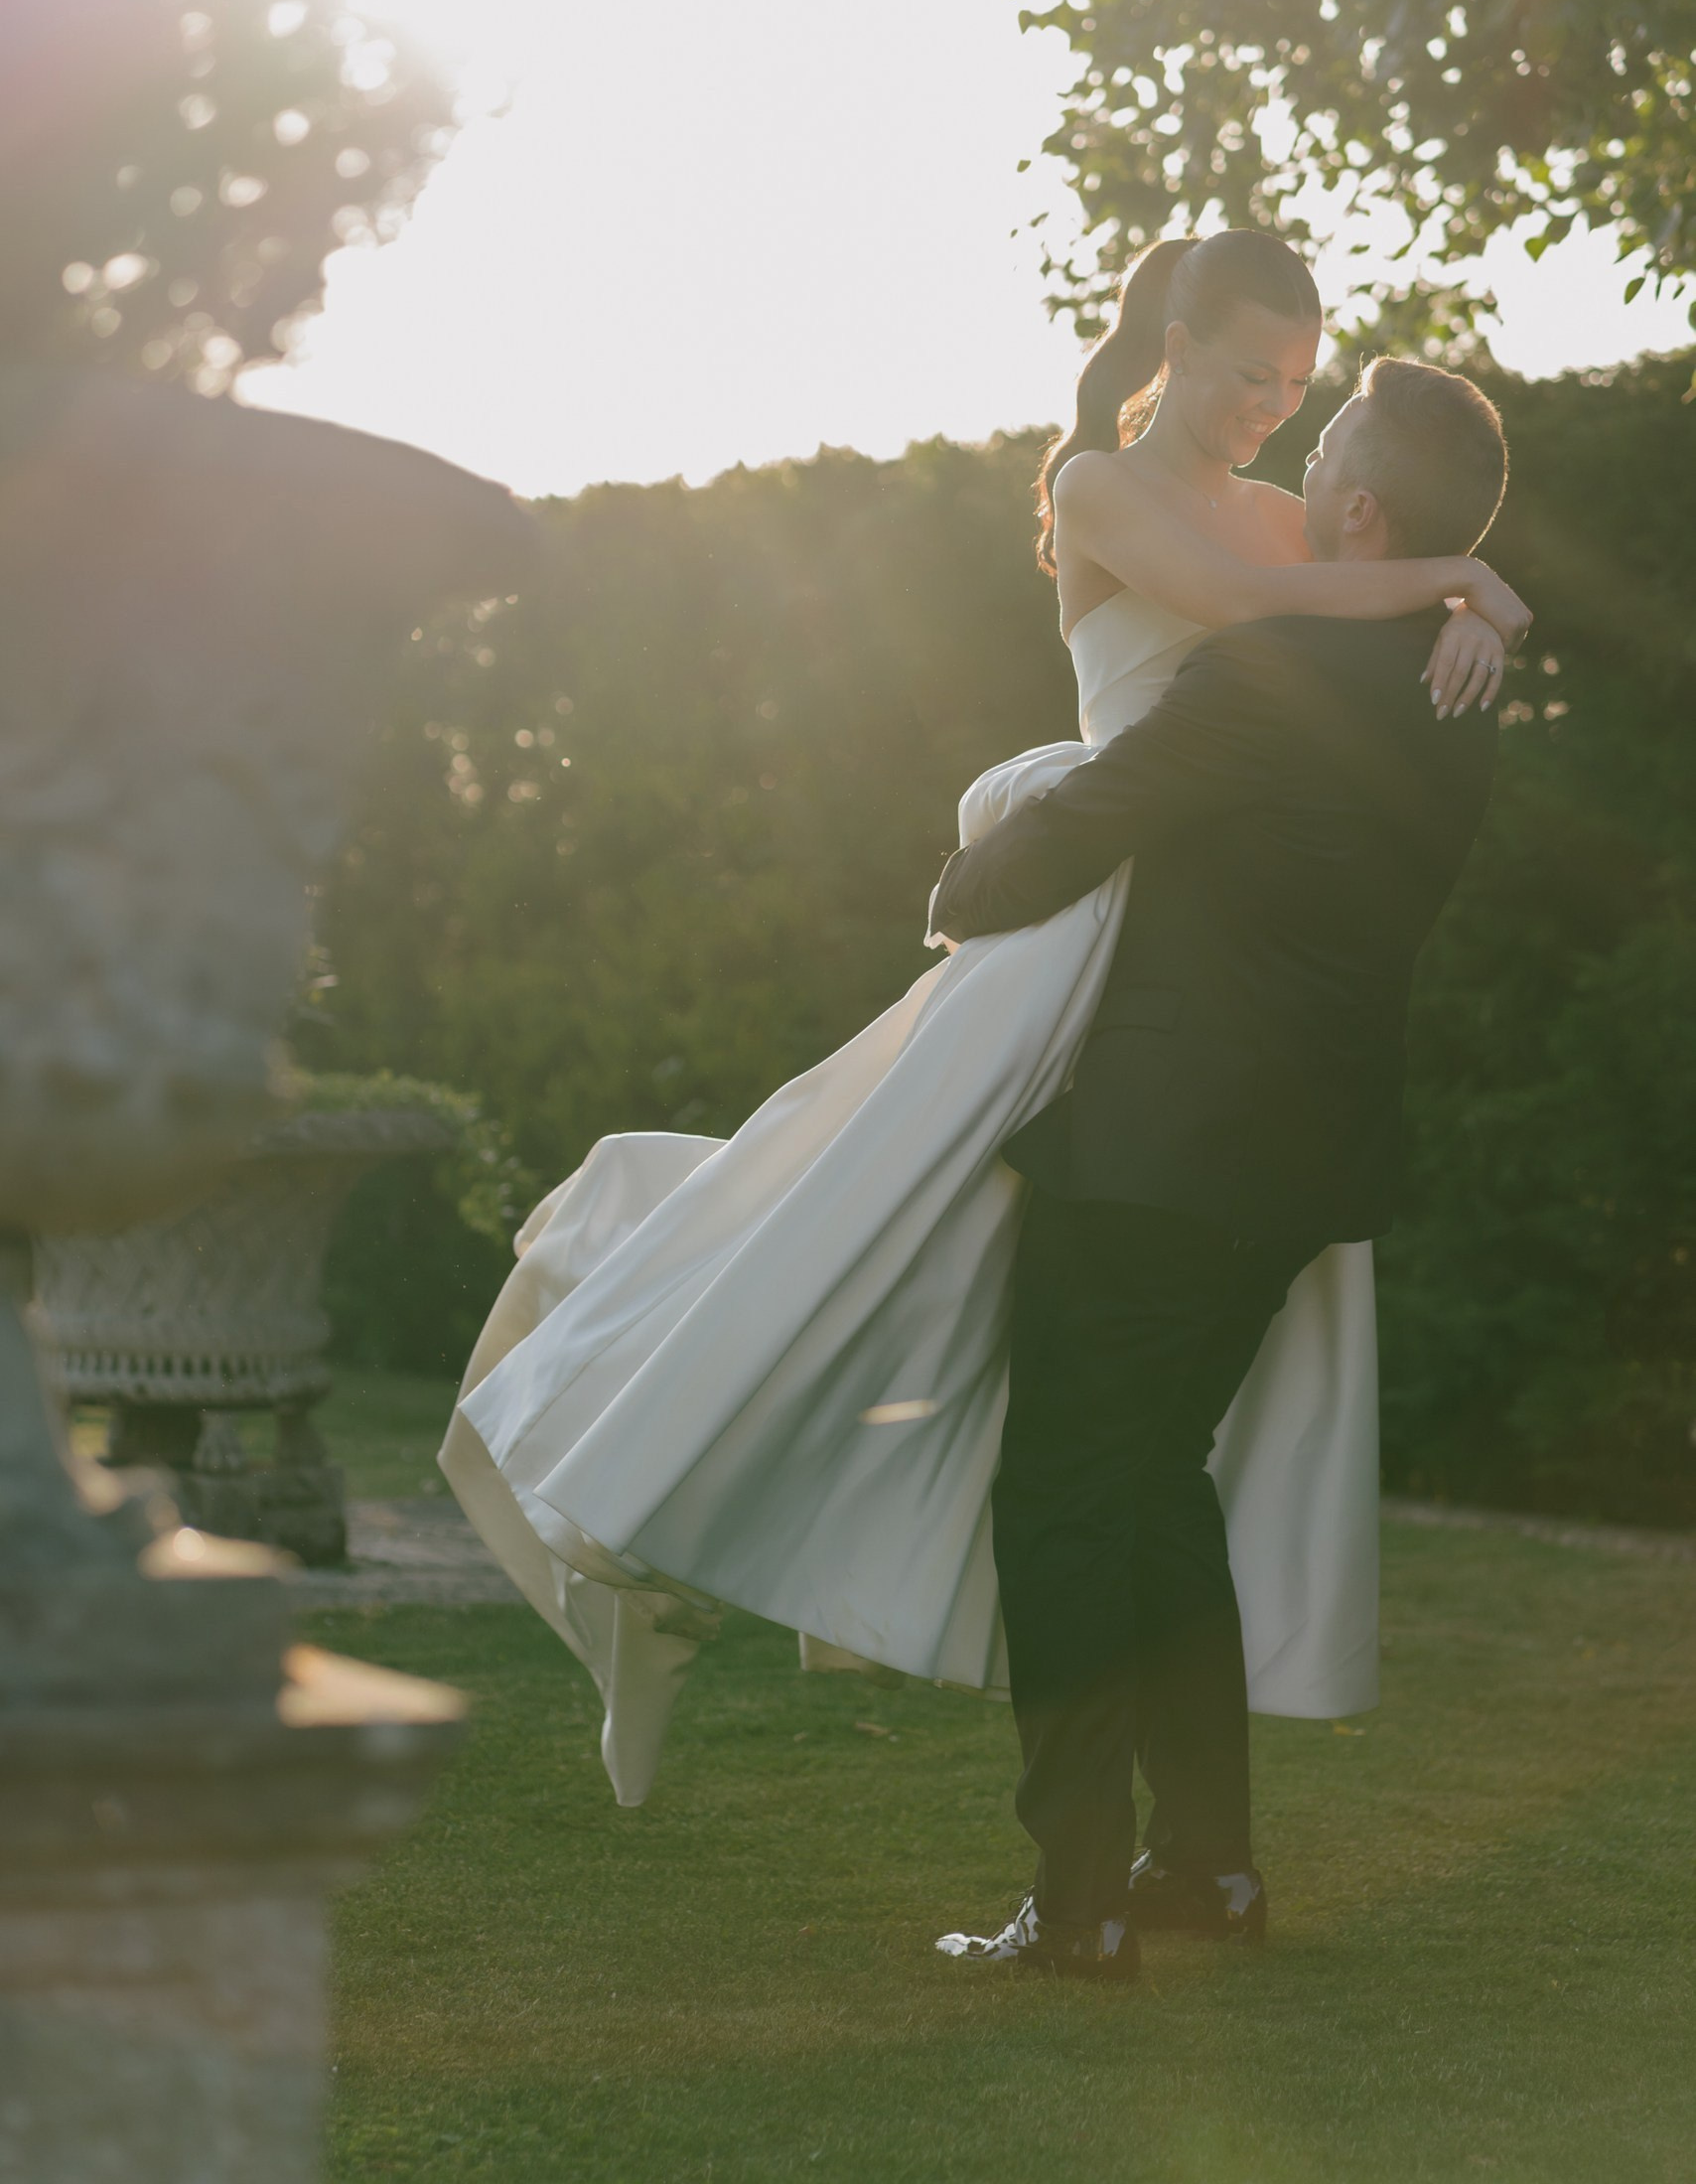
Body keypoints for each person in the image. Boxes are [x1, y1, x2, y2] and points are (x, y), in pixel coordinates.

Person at [439, 230, 1526, 1835]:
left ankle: (1097, 1833)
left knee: (1000, 1349)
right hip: (1088, 912)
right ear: (1174, 336)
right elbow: (1255, 606)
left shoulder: (1307, 518)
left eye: (1296, 388)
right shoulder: (1100, 487)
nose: (1267, 410)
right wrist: (1462, 576)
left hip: (1186, 954)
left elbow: (1349, 595)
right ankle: (656, 1534)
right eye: (1243, 372)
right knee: (857, 1231)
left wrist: (1487, 600)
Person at [928, 346, 1510, 1982]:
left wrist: (952, 894)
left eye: (1324, 445)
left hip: (1155, 1152)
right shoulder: (1456, 693)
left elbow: (1090, 819)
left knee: (1061, 1492)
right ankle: (1208, 1871)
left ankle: (1079, 1901)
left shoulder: (1269, 675)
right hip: (1297, 1165)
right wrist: (1472, 592)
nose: (1303, 468)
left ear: (1359, 506)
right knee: (1158, 1483)